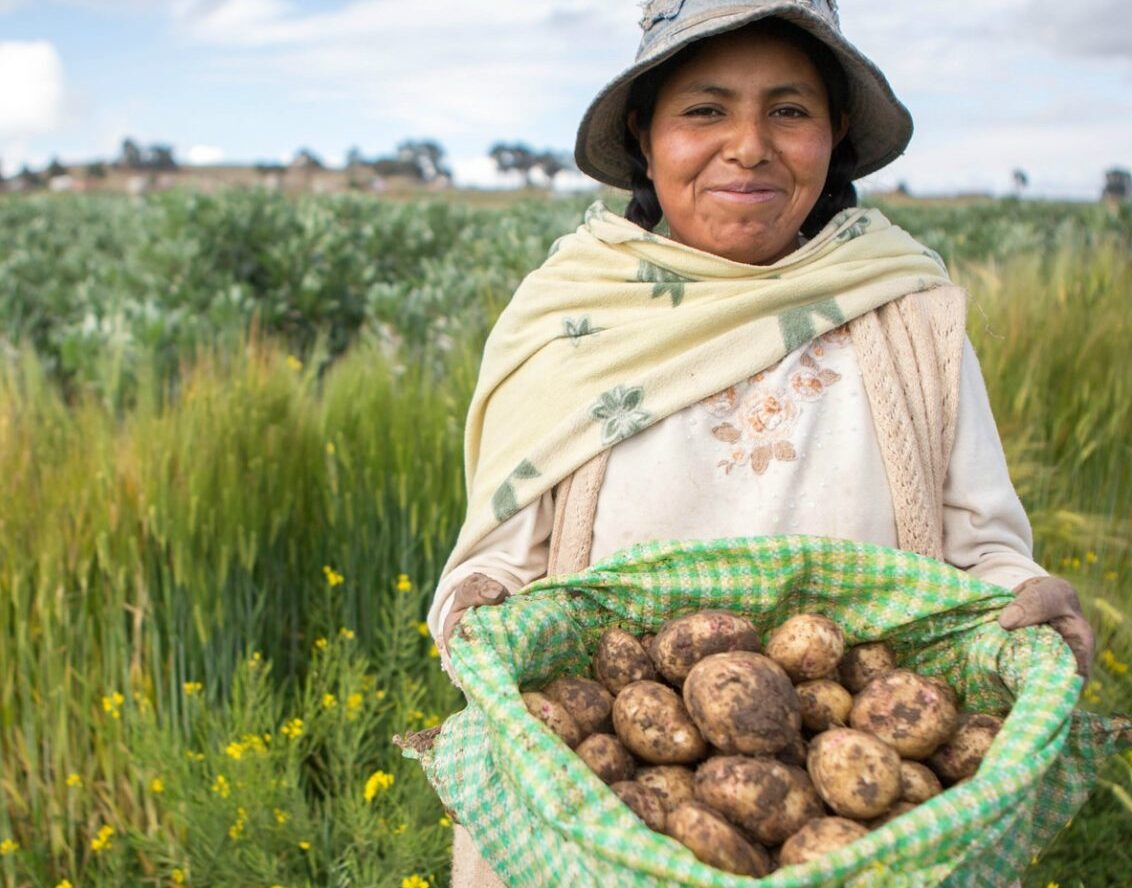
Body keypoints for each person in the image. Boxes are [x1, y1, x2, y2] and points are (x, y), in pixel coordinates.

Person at [426, 2, 1096, 884]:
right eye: (705, 110)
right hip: (602, 834)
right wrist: (478, 602)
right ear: (645, 133)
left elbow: (983, 553)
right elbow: (503, 569)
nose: (748, 146)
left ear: (835, 132)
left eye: (789, 110)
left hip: (858, 810)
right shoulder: (568, 318)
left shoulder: (908, 310)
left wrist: (1029, 606)